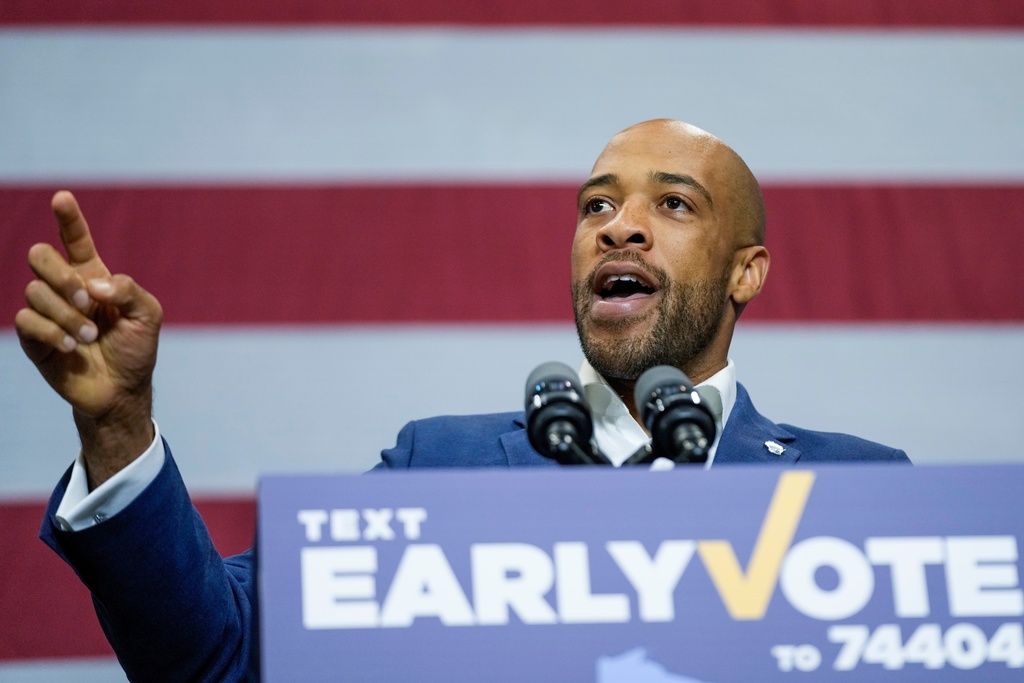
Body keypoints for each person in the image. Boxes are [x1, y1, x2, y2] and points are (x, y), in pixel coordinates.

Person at [17, 119, 909, 681]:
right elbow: (216, 656)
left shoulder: (863, 493)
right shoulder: (434, 469)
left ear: (746, 270)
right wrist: (117, 421)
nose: (618, 224)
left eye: (672, 203)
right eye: (596, 203)